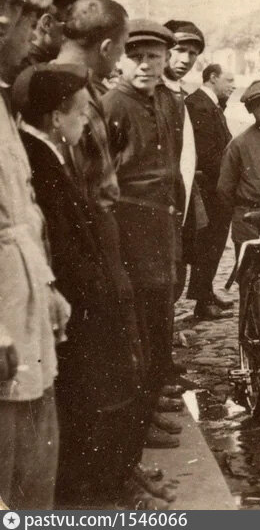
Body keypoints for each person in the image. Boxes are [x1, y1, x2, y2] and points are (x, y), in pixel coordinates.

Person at [15, 64, 141, 508]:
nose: (87, 121)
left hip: (75, 298)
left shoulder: (51, 150)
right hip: (68, 301)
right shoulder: (39, 157)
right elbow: (62, 244)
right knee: (81, 398)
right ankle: (86, 497)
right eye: (82, 113)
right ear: (55, 116)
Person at [54, 0, 163, 506]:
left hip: (102, 240)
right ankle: (103, 485)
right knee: (99, 376)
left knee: (124, 363)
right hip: (84, 248)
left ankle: (120, 471)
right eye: (121, 48)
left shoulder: (88, 90)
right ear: (105, 45)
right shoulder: (69, 92)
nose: (123, 58)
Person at [0, 0, 66, 509]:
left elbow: (22, 212)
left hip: (24, 308)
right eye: (28, 21)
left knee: (31, 479)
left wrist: (47, 286)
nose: (34, 39)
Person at [101, 20, 182, 453]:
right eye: (136, 57)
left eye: (154, 56)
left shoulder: (168, 102)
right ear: (121, 60)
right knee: (135, 330)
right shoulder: (112, 104)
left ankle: (150, 408)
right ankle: (139, 419)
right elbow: (103, 179)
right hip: (130, 233)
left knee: (158, 326)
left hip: (163, 230)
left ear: (167, 59)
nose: (146, 65)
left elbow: (174, 168)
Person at [185, 63, 235, 320]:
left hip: (214, 186)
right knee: (208, 244)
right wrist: (233, 175)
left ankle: (205, 292)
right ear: (212, 78)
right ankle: (202, 301)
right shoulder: (199, 104)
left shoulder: (211, 103)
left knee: (213, 244)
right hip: (209, 188)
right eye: (229, 79)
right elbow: (208, 155)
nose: (233, 85)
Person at [161, 19, 202, 303]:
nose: (185, 59)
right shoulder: (153, 94)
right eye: (179, 50)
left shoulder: (180, 94)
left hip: (181, 202)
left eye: (193, 53)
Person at [218, 80, 260, 250]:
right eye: (259, 105)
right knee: (251, 273)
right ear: (250, 109)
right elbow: (224, 189)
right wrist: (243, 216)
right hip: (249, 222)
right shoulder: (239, 144)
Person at [23, 0, 89, 67]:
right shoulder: (27, 67)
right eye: (70, 26)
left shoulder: (39, 62)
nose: (76, 35)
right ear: (47, 24)